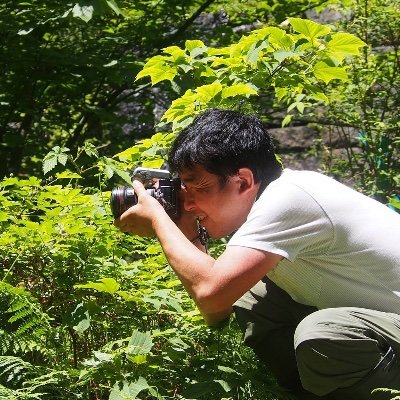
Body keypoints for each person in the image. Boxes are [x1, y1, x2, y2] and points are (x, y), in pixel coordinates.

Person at [114, 108, 400, 399]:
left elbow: (210, 292)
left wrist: (157, 219)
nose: (188, 204)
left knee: (323, 332)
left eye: (198, 187)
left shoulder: (290, 197)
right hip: (385, 325)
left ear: (243, 181)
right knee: (249, 295)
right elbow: (217, 309)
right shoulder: (271, 207)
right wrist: (185, 227)